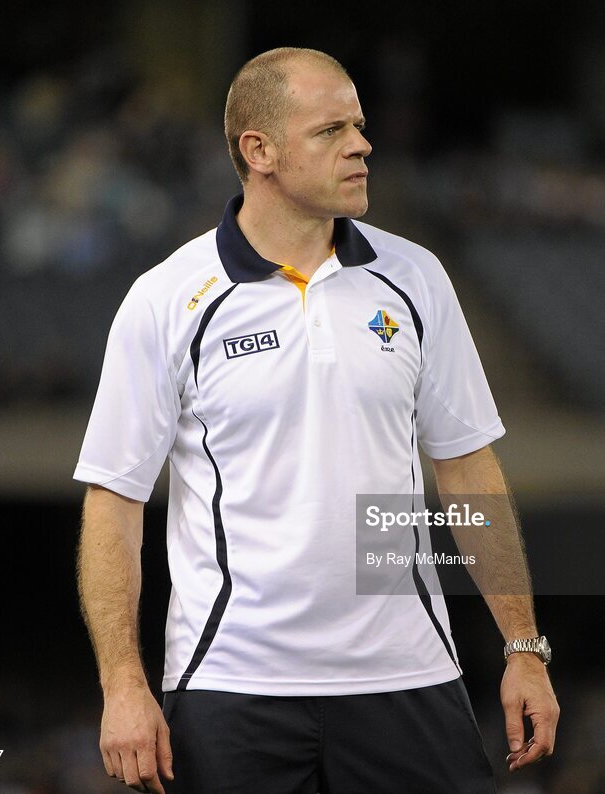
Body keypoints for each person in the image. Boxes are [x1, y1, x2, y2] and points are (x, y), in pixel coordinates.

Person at [74, 46, 558, 793]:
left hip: (409, 676)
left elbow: (466, 467)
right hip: (230, 685)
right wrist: (123, 686)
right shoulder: (166, 300)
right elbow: (114, 505)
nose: (363, 144)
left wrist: (523, 646)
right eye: (332, 130)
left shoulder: (417, 278)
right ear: (258, 151)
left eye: (359, 126)